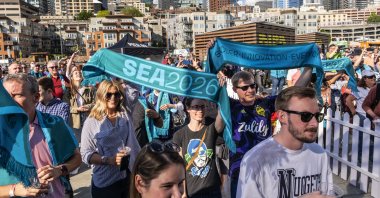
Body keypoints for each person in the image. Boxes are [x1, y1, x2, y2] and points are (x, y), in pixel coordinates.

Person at [237, 87, 334, 198]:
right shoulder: (256, 160)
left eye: (317, 116)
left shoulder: (319, 153)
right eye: (305, 116)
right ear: (282, 116)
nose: (315, 124)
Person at [228, 69, 312, 198]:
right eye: (245, 87)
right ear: (235, 90)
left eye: (252, 85)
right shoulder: (230, 106)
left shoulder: (265, 103)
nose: (250, 90)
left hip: (265, 168)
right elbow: (207, 91)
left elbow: (294, 92)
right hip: (239, 169)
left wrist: (309, 67)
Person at [1, 73, 81, 198]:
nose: (9, 101)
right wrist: (14, 189)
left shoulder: (56, 124)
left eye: (17, 95)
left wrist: (59, 170)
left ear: (36, 97)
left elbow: (76, 158)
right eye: (6, 96)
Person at [80, 80, 141, 198]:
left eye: (117, 94)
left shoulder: (124, 112)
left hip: (127, 174)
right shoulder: (92, 121)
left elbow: (134, 88)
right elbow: (85, 154)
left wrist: (118, 76)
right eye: (108, 94)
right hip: (105, 181)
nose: (113, 98)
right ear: (101, 95)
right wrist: (109, 160)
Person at [173, 98, 225, 198]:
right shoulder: (179, 135)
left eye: (202, 106)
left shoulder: (211, 129)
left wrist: (221, 92)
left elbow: (221, 116)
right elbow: (180, 167)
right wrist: (183, 192)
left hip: (212, 190)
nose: (200, 110)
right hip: (192, 190)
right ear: (188, 109)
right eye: (196, 107)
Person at [68, 66, 95, 144]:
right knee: (77, 142)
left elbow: (96, 103)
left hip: (87, 117)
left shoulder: (89, 89)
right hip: (75, 120)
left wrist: (87, 107)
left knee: (89, 140)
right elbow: (66, 107)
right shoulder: (68, 91)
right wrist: (77, 109)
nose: (78, 74)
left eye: (80, 73)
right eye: (75, 73)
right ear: (72, 77)